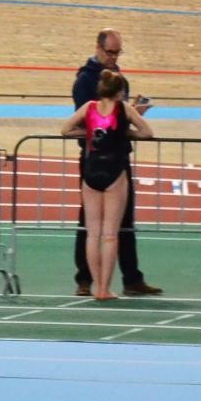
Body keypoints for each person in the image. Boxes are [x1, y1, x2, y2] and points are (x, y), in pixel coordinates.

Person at [71, 29, 161, 297]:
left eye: (117, 52)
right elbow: (87, 120)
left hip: (117, 156)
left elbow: (112, 116)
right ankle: (85, 279)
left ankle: (130, 277)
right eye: (110, 52)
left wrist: (130, 114)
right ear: (98, 49)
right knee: (90, 223)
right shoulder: (85, 81)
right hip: (96, 158)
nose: (114, 57)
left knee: (123, 220)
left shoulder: (118, 78)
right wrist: (116, 127)